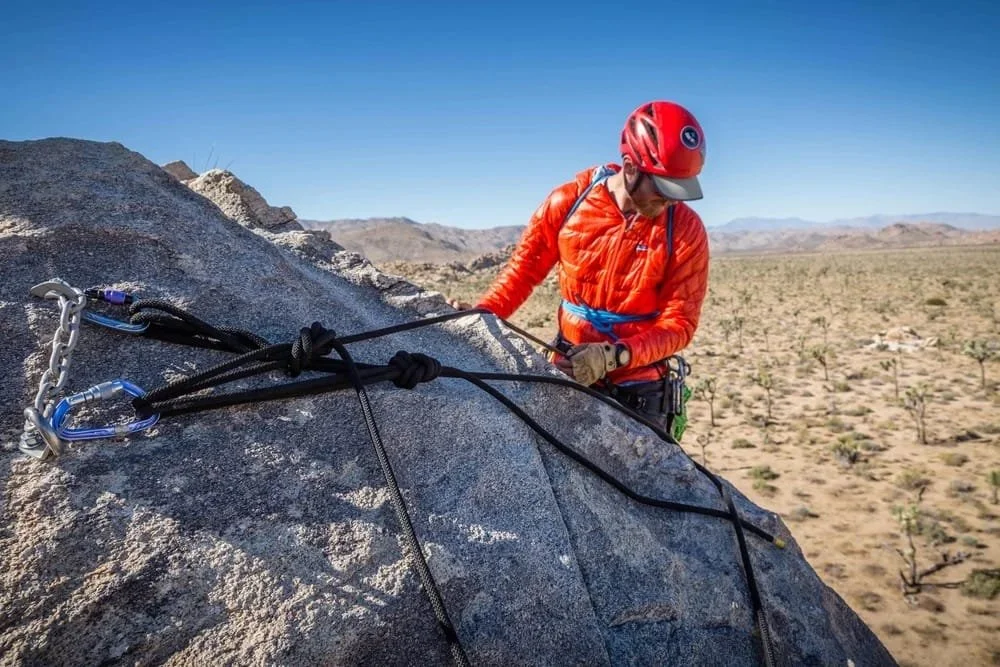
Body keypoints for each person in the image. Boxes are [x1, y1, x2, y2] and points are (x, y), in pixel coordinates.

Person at [451, 100, 709, 435]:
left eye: (680, 192)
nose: (671, 203)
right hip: (568, 363)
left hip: (640, 389)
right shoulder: (569, 202)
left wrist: (614, 356)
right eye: (663, 191)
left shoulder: (685, 230)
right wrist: (481, 316)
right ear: (630, 168)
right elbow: (523, 271)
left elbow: (679, 324)